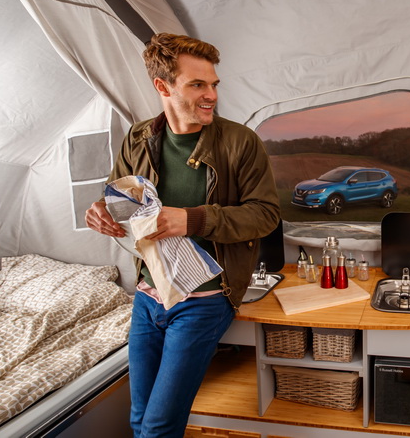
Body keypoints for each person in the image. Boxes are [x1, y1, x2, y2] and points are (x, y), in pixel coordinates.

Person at [85, 33, 280, 437]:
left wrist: (192, 220)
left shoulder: (241, 142)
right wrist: (100, 209)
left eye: (214, 84)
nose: (212, 95)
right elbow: (118, 193)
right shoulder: (138, 138)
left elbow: (265, 215)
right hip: (147, 295)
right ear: (163, 86)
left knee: (158, 426)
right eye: (197, 85)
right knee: (139, 418)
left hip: (204, 300)